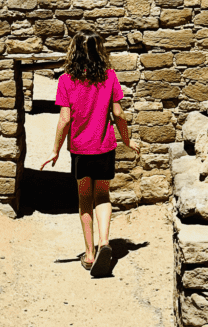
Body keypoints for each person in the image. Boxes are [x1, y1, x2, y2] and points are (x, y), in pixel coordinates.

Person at [41, 29, 140, 277]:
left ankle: (89, 254)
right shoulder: (109, 77)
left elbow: (65, 119)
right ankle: (105, 243)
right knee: (103, 195)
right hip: (105, 146)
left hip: (80, 149)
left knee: (85, 198)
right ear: (100, 52)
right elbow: (118, 114)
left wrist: (55, 150)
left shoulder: (66, 80)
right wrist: (127, 140)